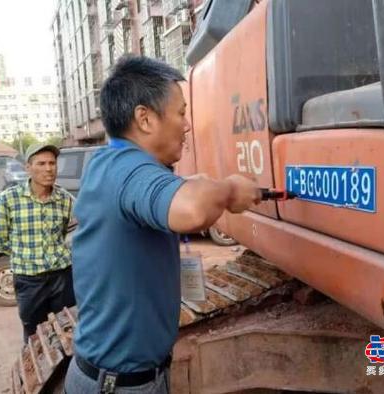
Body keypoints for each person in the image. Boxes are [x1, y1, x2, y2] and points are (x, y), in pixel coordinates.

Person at [65, 56, 261, 394]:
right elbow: (192, 210)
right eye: (181, 113)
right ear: (144, 119)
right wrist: (229, 189)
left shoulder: (107, 163)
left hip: (111, 376)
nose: (186, 125)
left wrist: (197, 182)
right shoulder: (129, 170)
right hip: (120, 386)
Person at [0, 143, 75, 342]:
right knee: (34, 336)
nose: (49, 169)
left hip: (62, 276)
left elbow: (68, 235)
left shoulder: (65, 200)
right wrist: (28, 255)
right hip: (29, 280)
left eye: (52, 163)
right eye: (42, 163)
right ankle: (34, 372)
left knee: (67, 330)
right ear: (28, 168)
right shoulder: (7, 201)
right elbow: (1, 241)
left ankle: (64, 373)